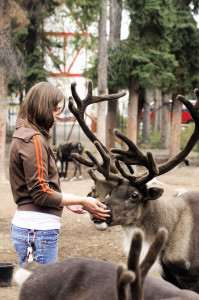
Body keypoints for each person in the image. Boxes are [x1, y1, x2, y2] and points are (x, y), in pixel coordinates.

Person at [9, 81, 110, 266]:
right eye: (56, 110)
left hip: (31, 228)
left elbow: (38, 189)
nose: (58, 116)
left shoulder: (22, 134)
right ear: (43, 107)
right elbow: (40, 194)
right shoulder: (34, 140)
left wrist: (64, 201)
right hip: (38, 230)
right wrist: (82, 200)